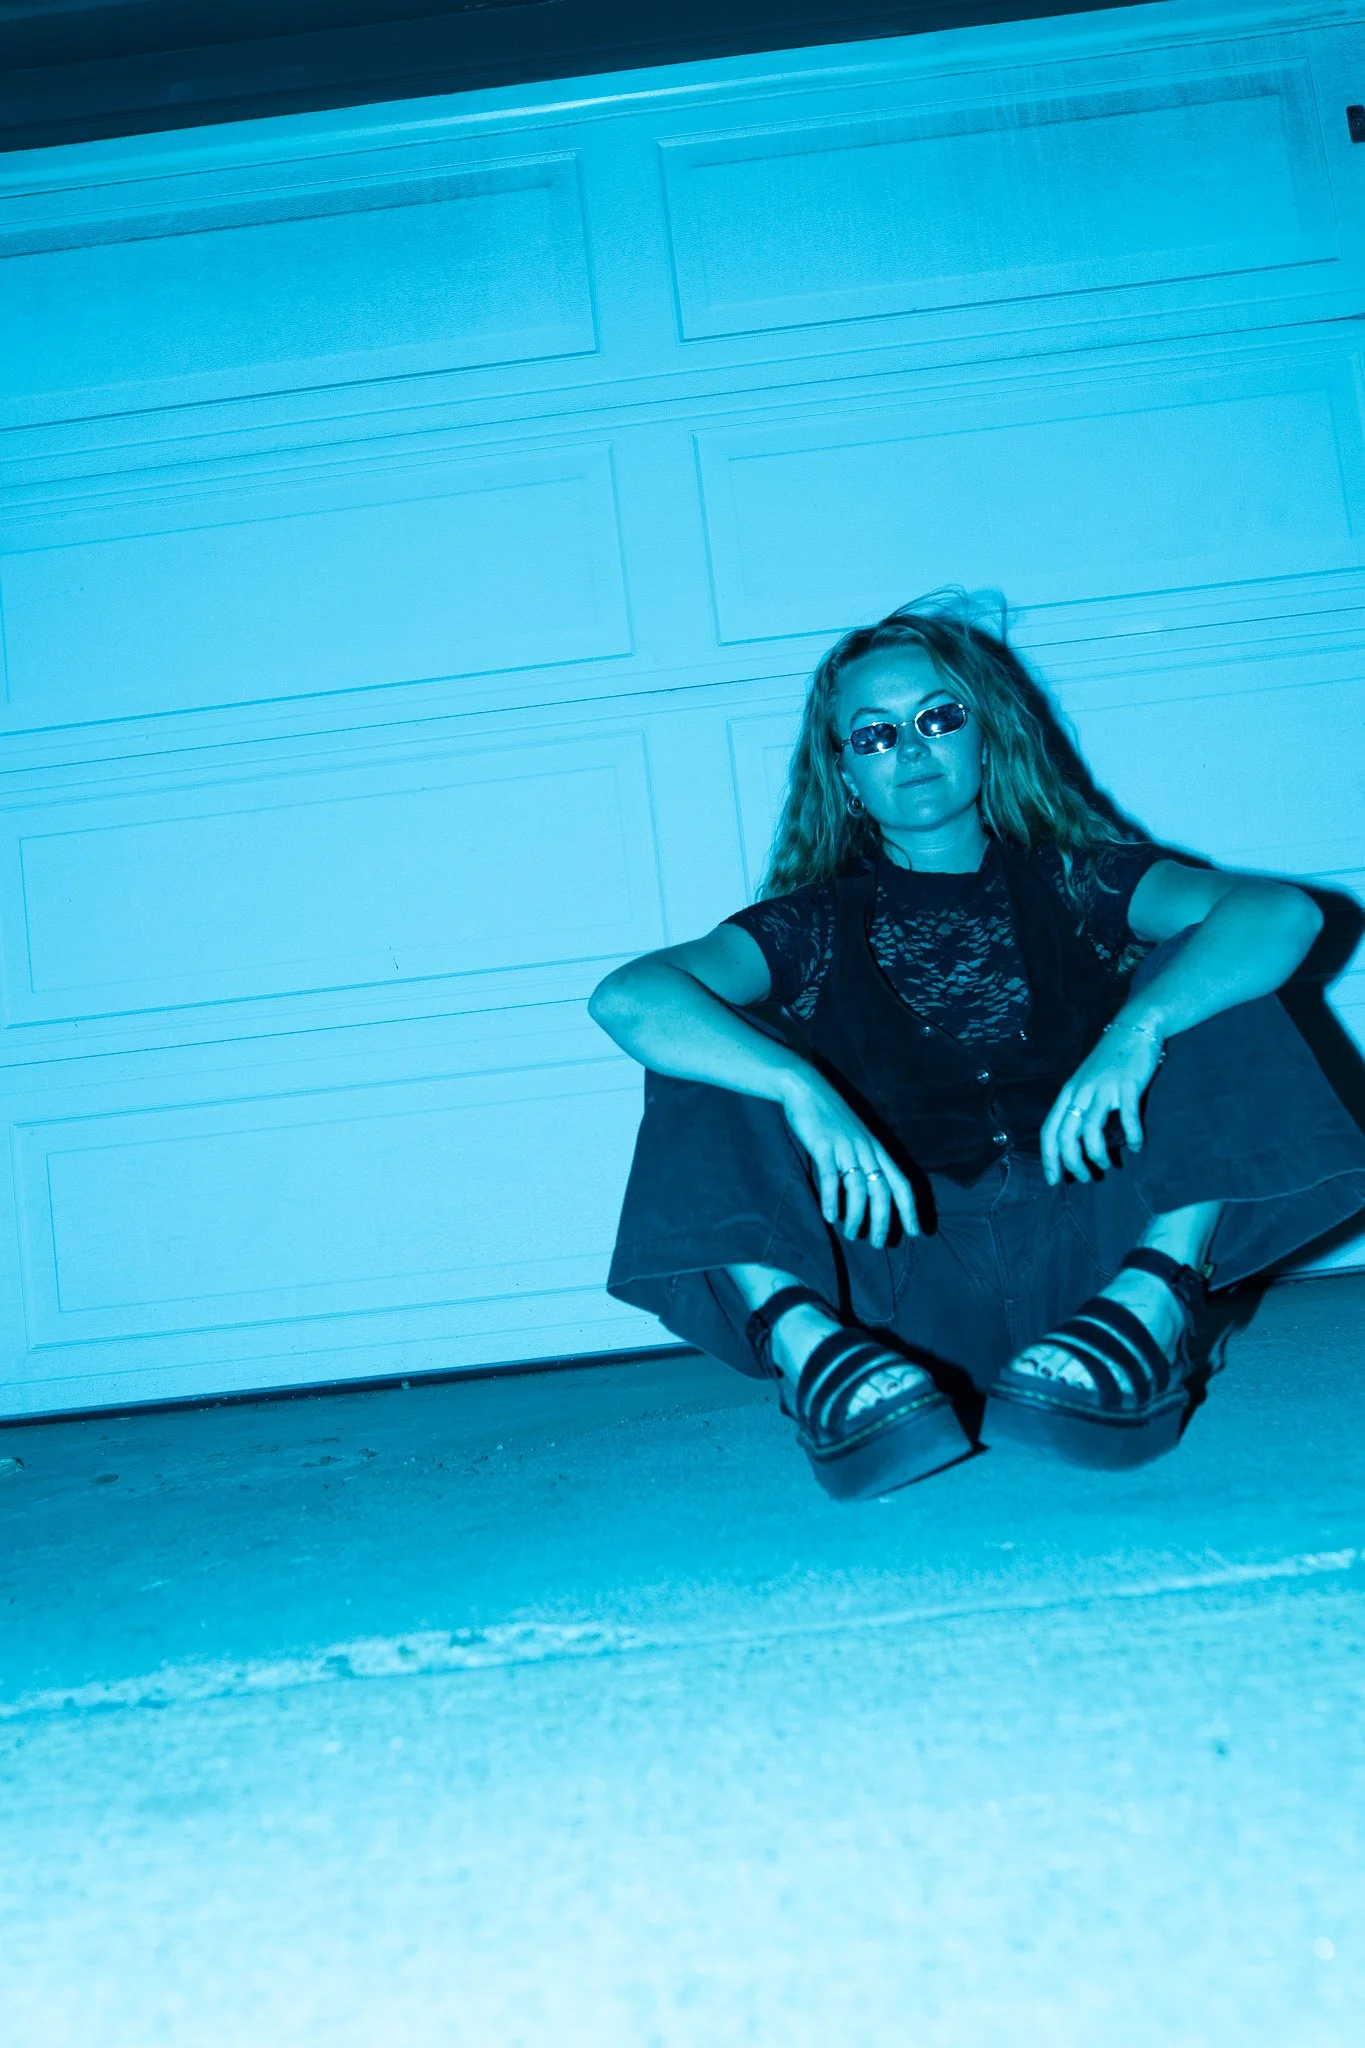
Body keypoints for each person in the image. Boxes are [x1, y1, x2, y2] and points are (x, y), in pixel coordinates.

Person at [589, 594, 1365, 1499]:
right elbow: (630, 997)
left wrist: (1137, 1031)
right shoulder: (806, 928)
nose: (909, 748)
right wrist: (798, 1084)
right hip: (902, 1292)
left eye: (936, 717)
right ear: (843, 778)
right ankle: (808, 1353)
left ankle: (1154, 1303)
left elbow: (1278, 913)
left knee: (1208, 967)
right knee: (713, 1041)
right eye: (872, 735)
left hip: (1103, 1256)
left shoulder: (1081, 881)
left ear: (983, 737)